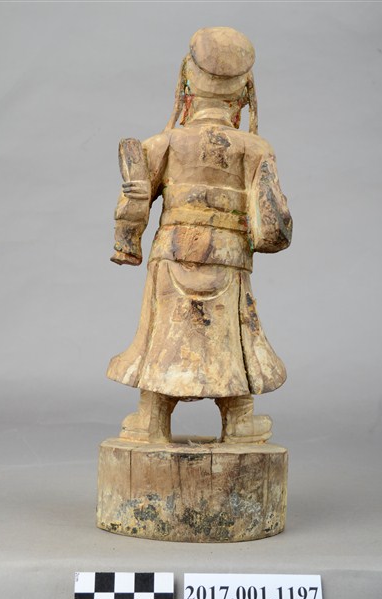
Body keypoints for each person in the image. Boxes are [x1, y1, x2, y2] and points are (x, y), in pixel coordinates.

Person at [107, 27, 292, 445]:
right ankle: (239, 419)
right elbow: (272, 221)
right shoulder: (254, 149)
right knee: (232, 338)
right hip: (229, 258)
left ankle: (151, 419)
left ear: (186, 80)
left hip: (171, 255)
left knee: (162, 337)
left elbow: (134, 204)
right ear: (244, 90)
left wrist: (127, 238)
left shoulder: (164, 143)